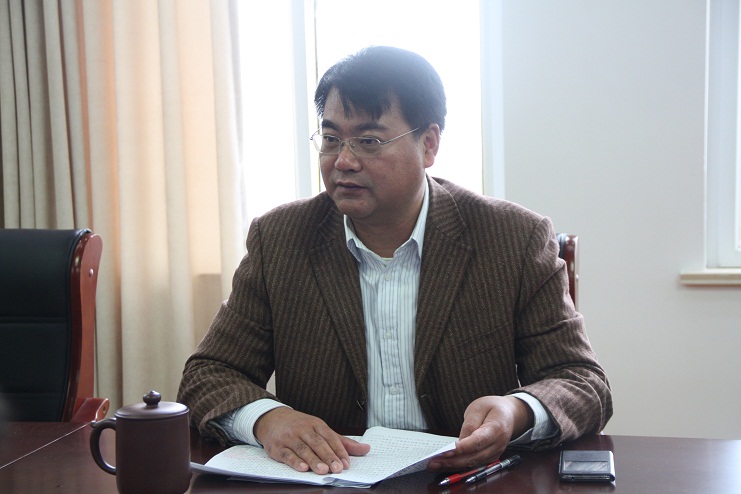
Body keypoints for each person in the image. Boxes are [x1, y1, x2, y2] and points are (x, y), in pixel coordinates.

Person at [178, 45, 612, 476]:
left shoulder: (512, 239)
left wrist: (516, 411)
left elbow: (582, 381)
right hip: (329, 479)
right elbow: (208, 374)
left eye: (369, 141)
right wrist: (267, 419)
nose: (343, 161)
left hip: (465, 480)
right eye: (331, 139)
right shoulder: (281, 240)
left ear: (429, 144)